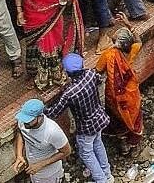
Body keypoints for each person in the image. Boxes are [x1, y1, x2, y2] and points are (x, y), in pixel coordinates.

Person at [45, 54, 111, 183]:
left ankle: (101, 180)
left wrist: (43, 107)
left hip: (86, 127)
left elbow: (53, 113)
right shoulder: (91, 74)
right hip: (99, 118)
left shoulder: (69, 93)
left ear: (67, 72)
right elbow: (99, 79)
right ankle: (107, 174)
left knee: (86, 153)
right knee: (98, 144)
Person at [16, 0, 81, 91]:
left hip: (53, 23)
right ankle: (34, 76)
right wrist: (19, 11)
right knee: (33, 50)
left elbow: (66, 5)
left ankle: (54, 77)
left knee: (51, 50)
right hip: (32, 20)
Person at [96, 15, 142, 155]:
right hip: (131, 93)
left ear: (116, 43)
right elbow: (139, 40)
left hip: (114, 96)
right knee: (133, 116)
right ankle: (133, 143)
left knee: (117, 119)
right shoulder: (133, 50)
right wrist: (129, 25)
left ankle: (123, 142)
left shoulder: (109, 55)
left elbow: (98, 70)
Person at [13, 99, 71, 183]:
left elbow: (66, 151)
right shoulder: (23, 121)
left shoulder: (52, 131)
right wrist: (19, 155)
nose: (25, 123)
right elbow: (21, 133)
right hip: (33, 170)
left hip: (50, 174)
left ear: (40, 116)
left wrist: (40, 165)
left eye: (29, 120)